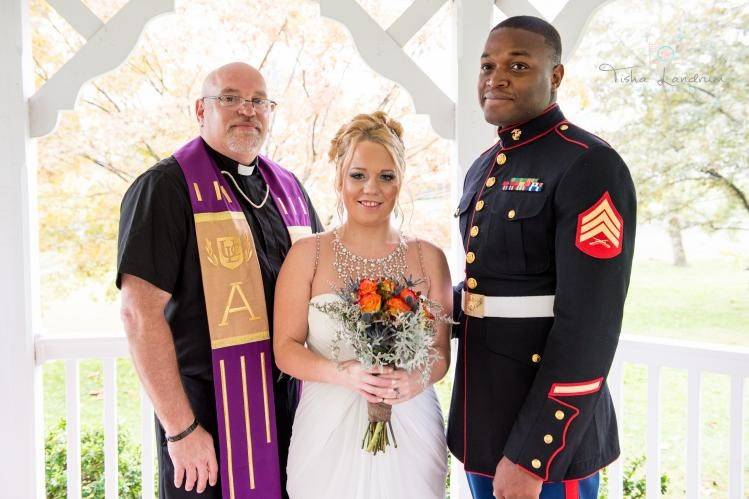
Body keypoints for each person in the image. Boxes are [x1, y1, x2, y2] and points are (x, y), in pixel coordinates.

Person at [448, 16, 637, 499]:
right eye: (487, 65)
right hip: (483, 426)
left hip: (547, 445)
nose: (496, 77)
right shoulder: (483, 167)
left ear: (555, 77)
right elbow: (490, 292)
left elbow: (590, 325)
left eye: (517, 64)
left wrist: (536, 455)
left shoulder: (589, 164)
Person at [117, 62, 322, 499]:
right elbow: (139, 314)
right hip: (205, 416)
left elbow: (324, 286)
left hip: (291, 410)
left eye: (258, 102)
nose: (247, 111)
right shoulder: (166, 187)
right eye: (230, 98)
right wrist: (181, 429)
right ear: (200, 109)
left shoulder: (290, 190)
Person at [273, 111, 451, 498]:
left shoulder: (429, 257)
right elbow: (285, 350)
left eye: (386, 176)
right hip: (325, 428)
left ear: (400, 183)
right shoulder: (308, 255)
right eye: (358, 175)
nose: (371, 188)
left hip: (411, 426)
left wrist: (413, 381)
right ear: (339, 179)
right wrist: (344, 373)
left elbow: (439, 353)